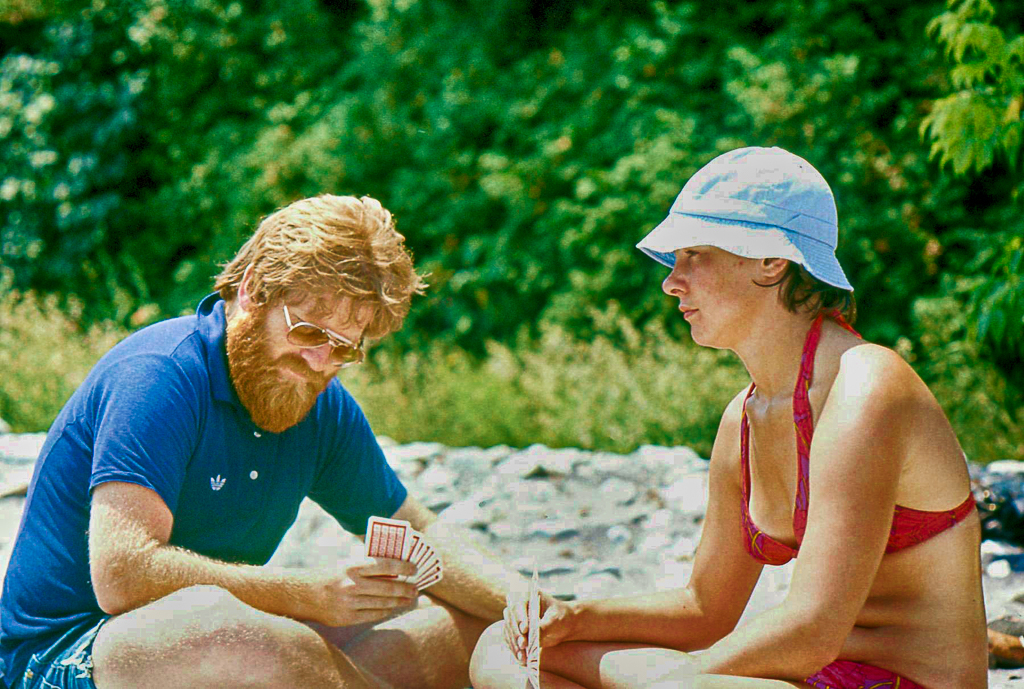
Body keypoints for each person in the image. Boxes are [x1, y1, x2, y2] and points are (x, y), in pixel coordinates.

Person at [469, 147, 988, 688]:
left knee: (684, 686)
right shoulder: (743, 418)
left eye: (695, 253)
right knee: (504, 649)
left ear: (772, 260)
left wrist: (676, 680)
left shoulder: (866, 388)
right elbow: (704, 609)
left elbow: (813, 629)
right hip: (803, 679)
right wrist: (574, 618)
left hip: (903, 681)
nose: (672, 281)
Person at [0, 194, 518, 689]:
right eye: (310, 333)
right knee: (236, 628)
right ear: (253, 289)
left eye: (345, 349)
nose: (321, 363)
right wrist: (308, 595)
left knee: (469, 629)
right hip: (61, 657)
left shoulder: (321, 403)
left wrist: (530, 606)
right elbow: (124, 574)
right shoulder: (159, 377)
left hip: (224, 646)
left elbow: (416, 528)